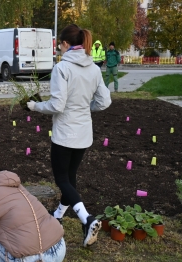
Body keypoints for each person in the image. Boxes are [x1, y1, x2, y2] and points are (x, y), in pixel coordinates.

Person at [26, 24, 111, 247]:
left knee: (62, 179)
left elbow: (57, 105)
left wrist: (34, 106)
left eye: (59, 46)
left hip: (64, 134)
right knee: (70, 178)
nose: (59, 50)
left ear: (65, 44)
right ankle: (58, 216)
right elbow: (104, 102)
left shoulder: (62, 68)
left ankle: (87, 219)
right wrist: (83, 107)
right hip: (83, 133)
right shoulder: (94, 68)